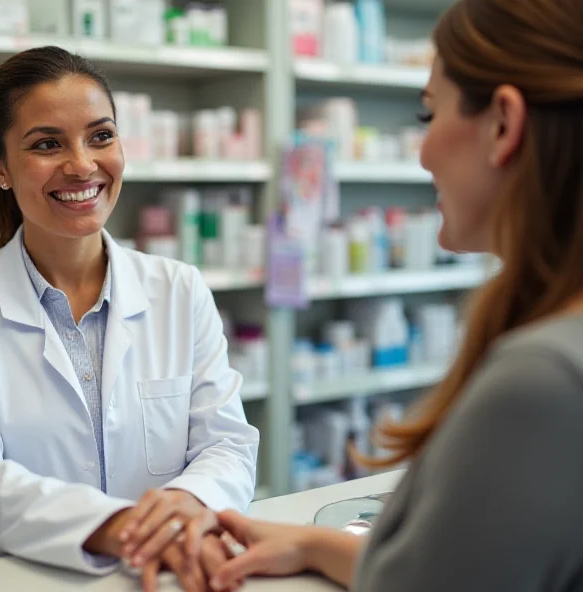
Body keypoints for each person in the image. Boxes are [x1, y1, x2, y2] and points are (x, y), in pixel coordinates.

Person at [206, 0, 583, 590]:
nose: (423, 151)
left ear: (504, 125)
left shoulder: (542, 383)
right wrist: (314, 543)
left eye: (428, 115)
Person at [0, 45, 258, 591]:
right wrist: (117, 527)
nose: (83, 165)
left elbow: (226, 444)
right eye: (47, 144)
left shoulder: (179, 289)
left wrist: (188, 503)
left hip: (160, 574)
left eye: (101, 136)